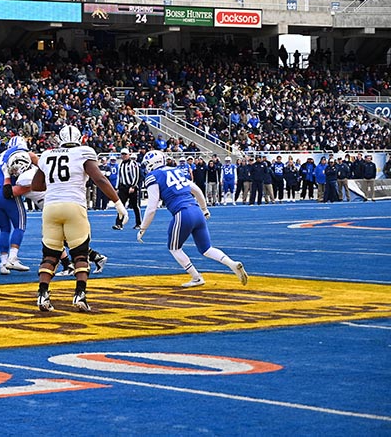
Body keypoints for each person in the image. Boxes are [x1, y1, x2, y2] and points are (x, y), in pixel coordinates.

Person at [30, 125, 127, 312]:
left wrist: (56, 184)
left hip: (50, 207)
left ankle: (43, 294)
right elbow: (100, 179)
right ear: (80, 138)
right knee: (80, 254)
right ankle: (80, 295)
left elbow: (36, 185)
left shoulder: (48, 155)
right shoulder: (84, 152)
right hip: (74, 205)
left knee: (50, 254)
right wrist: (117, 202)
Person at [137, 150, 248, 288]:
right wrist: (204, 209)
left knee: (174, 248)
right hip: (196, 210)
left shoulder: (153, 176)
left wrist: (143, 227)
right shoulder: (176, 170)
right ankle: (232, 264)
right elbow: (197, 190)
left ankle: (196, 277)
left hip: (182, 213)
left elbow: (152, 207)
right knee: (207, 249)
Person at [0, 136, 37, 275]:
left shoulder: (0, 156)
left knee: (4, 229)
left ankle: (3, 263)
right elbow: (31, 156)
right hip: (6, 191)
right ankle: (13, 258)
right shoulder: (19, 151)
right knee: (20, 225)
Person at [113, 147, 141, 230]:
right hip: (123, 188)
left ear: (129, 155)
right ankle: (119, 224)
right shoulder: (120, 164)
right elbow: (119, 176)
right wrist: (117, 187)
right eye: (122, 154)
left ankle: (138, 223)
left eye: (125, 154)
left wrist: (133, 186)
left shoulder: (133, 164)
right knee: (120, 206)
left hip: (131, 187)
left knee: (135, 206)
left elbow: (136, 175)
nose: (123, 156)